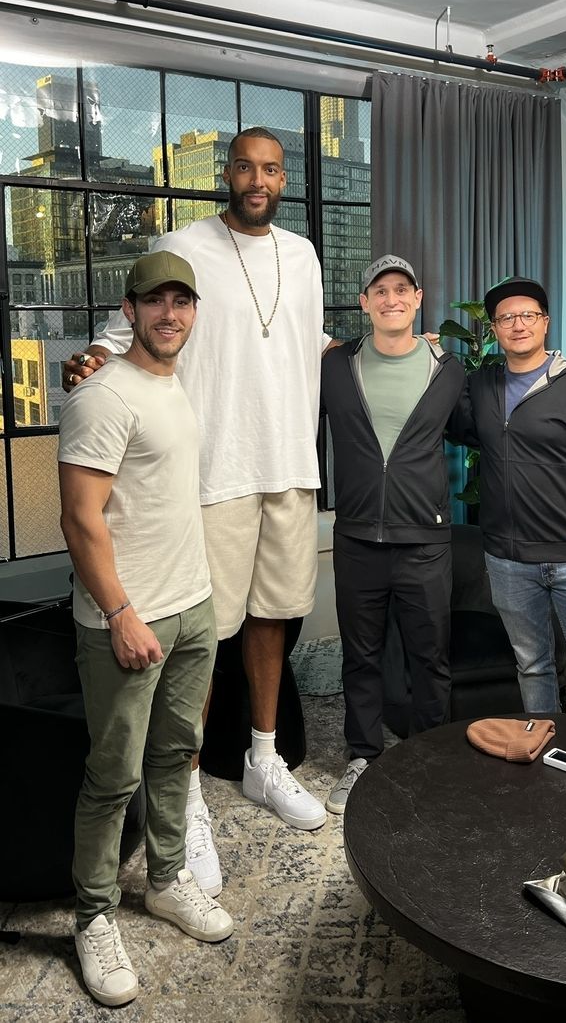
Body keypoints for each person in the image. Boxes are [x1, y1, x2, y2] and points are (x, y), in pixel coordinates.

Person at [62, 128, 327, 895]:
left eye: (271, 168)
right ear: (227, 173)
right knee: (204, 641)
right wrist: (86, 361)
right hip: (214, 471)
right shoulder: (185, 242)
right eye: (244, 165)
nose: (257, 178)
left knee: (275, 616)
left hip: (288, 463)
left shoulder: (304, 255)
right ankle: (189, 799)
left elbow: (306, 343)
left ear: (284, 179)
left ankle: (261, 759)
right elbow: (130, 333)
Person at [58, 252, 234, 1008]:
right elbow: (79, 517)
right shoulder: (101, 395)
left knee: (176, 756)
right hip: (127, 617)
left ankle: (165, 879)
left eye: (182, 302)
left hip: (193, 605)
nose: (171, 314)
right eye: (155, 302)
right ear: (128, 310)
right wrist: (121, 613)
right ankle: (93, 914)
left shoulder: (174, 381)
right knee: (113, 775)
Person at [320, 255, 466, 812]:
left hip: (424, 541)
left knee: (429, 657)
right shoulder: (336, 367)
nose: (391, 299)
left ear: (418, 298)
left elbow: (479, 431)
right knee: (361, 655)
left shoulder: (447, 369)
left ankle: (430, 757)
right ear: (364, 303)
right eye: (379, 291)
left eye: (401, 289)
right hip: (357, 538)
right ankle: (362, 756)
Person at [459, 276, 566, 717]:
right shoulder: (482, 386)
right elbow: (451, 425)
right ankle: (545, 753)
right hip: (509, 561)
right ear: (493, 328)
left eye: (528, 315)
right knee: (532, 667)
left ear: (545, 323)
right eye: (506, 317)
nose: (518, 324)